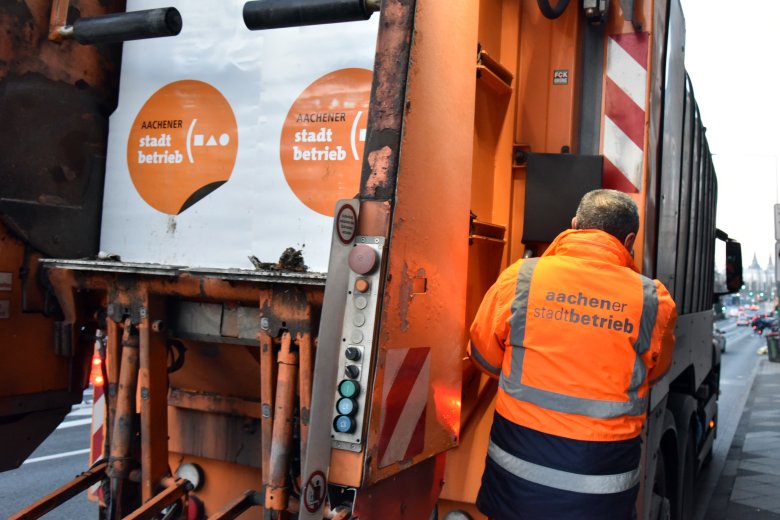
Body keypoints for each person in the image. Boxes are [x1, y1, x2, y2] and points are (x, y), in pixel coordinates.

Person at [468, 189, 677, 520]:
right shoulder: (652, 300)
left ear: (575, 225)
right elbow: (654, 372)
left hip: (516, 484)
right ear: (629, 239)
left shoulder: (522, 277)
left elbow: (483, 356)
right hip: (602, 494)